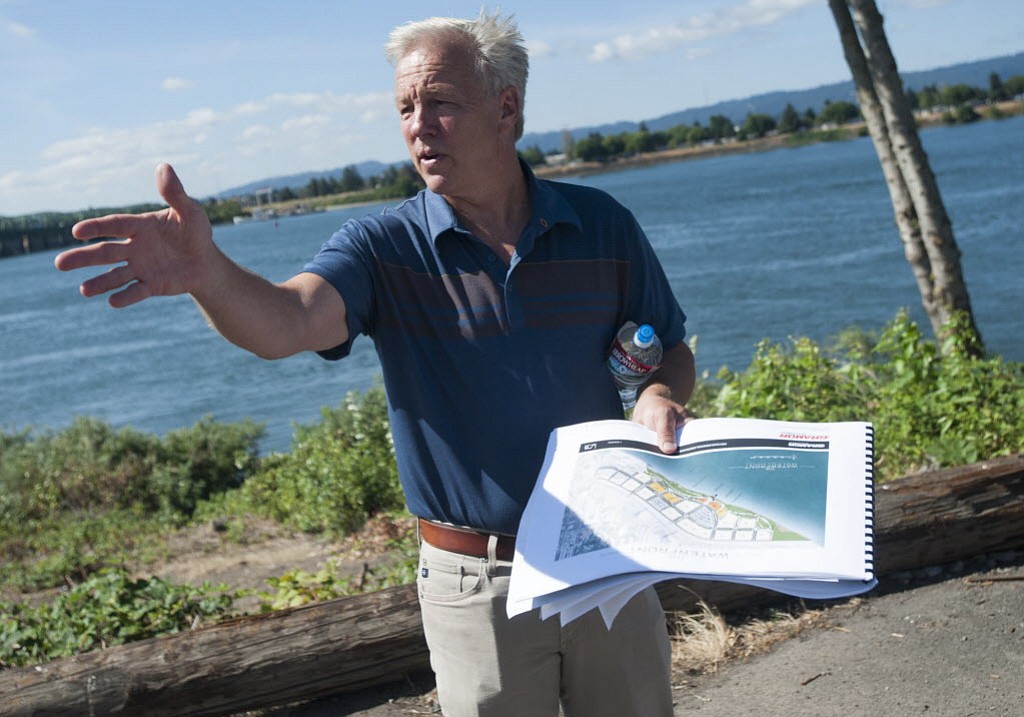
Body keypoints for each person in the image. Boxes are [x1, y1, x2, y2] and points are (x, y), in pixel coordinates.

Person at [55, 11, 696, 717]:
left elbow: (669, 345)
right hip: (475, 580)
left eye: (441, 103)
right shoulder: (382, 245)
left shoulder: (602, 224)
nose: (417, 124)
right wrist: (208, 273)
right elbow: (288, 321)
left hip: (609, 556)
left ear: (507, 107)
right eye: (404, 107)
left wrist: (660, 391)